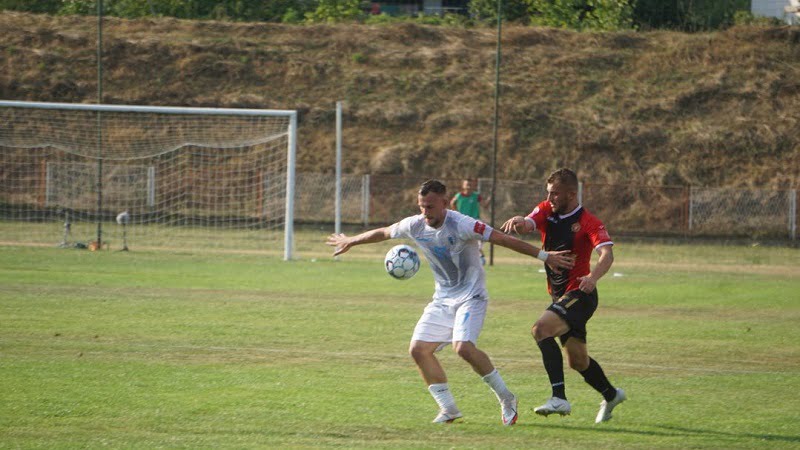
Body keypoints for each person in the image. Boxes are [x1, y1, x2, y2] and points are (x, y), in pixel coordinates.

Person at [327, 179, 574, 425]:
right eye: (422, 206)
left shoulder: (463, 224)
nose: (425, 212)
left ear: (445, 203)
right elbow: (383, 232)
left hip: (472, 297)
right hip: (443, 299)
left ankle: (506, 398)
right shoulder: (415, 224)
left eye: (430, 207)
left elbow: (503, 239)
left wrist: (544, 256)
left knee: (463, 347)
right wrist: (352, 240)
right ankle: (449, 409)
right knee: (418, 349)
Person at [501, 168, 626, 424]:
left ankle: (559, 398)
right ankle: (611, 394)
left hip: (581, 292)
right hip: (559, 296)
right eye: (548, 193)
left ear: (571, 193)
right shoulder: (546, 209)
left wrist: (592, 277)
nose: (551, 198)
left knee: (540, 329)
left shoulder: (589, 222)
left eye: (556, 193)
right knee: (578, 362)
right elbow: (528, 224)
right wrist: (519, 220)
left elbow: (607, 254)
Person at [450, 179, 489, 263]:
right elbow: (452, 203)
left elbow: (484, 205)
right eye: (467, 184)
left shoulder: (476, 196)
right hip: (463, 220)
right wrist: (456, 212)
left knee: (484, 234)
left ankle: (479, 251)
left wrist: (489, 200)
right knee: (462, 240)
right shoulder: (459, 195)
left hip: (475, 220)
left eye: (470, 184)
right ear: (463, 185)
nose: (469, 186)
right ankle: (477, 256)